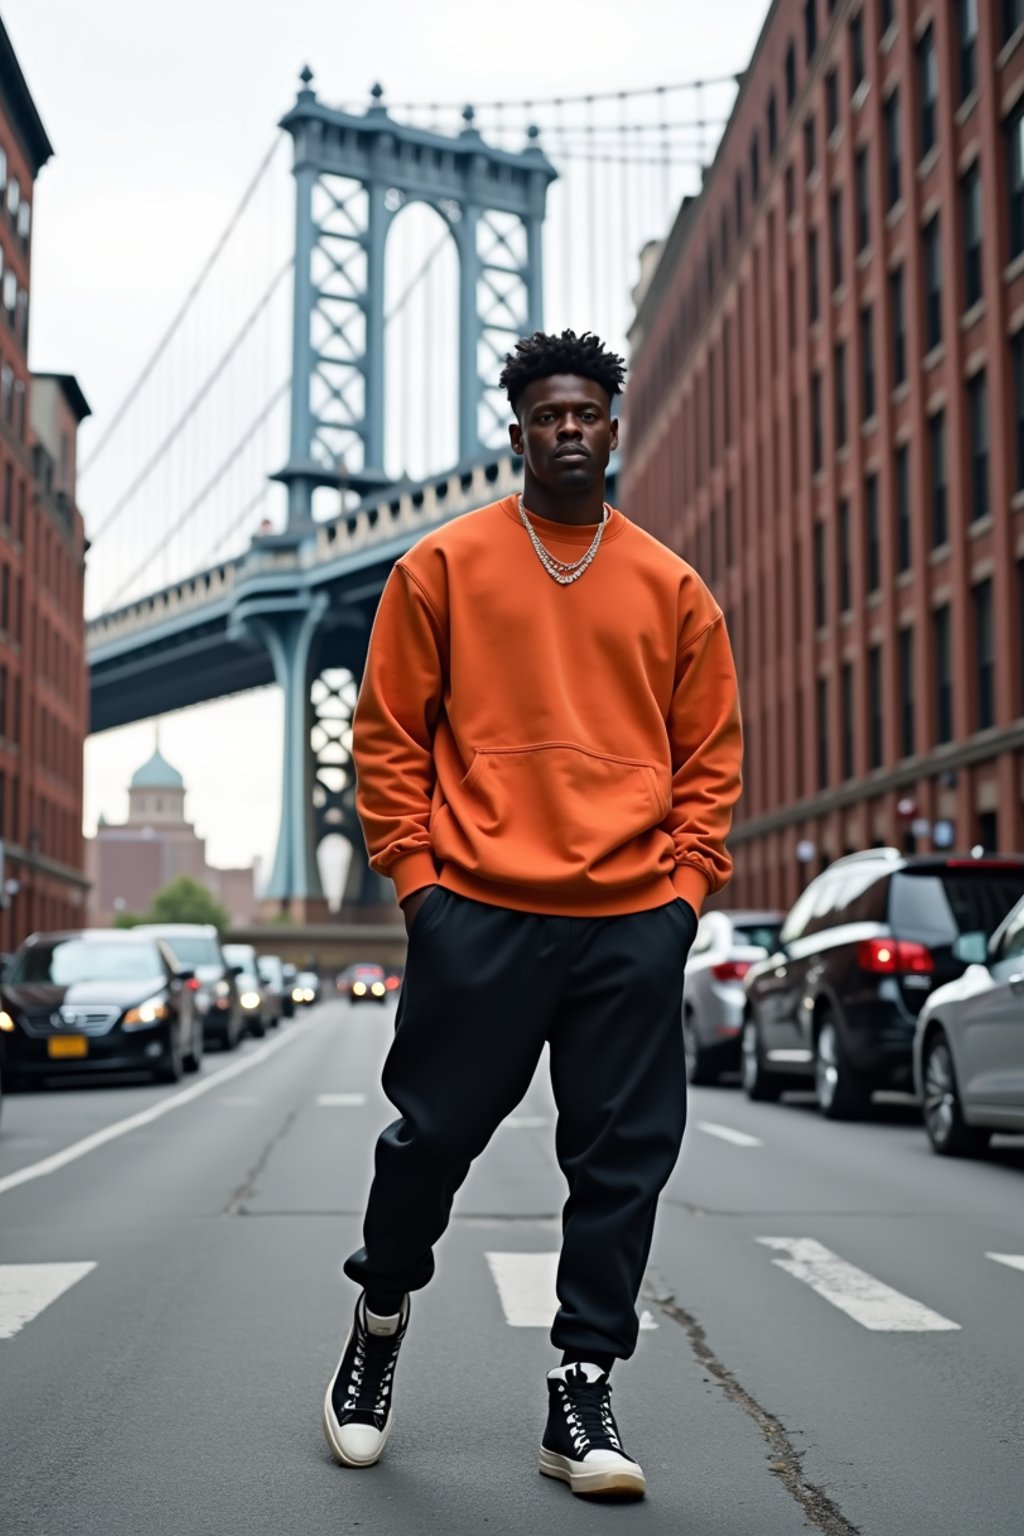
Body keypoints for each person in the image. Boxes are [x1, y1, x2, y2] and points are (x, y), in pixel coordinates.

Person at [322, 329, 743, 1499]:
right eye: (546, 414)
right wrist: (420, 886)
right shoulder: (441, 567)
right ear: (517, 430)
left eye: (587, 414)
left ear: (613, 429)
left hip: (627, 922)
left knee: (620, 1167)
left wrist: (681, 898)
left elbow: (708, 758)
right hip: (480, 916)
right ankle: (381, 1314)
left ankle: (580, 1392)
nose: (568, 429)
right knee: (431, 1144)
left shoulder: (671, 587)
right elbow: (388, 737)